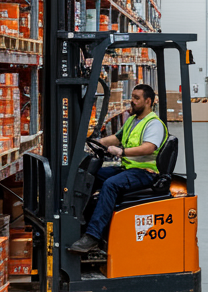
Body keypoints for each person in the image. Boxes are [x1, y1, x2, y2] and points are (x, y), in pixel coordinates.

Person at [68, 84, 168, 254]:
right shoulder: (132, 120)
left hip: (146, 173)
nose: (132, 101)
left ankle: (93, 236)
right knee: (89, 174)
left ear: (148, 101)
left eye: (137, 98)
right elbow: (116, 138)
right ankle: (78, 220)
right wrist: (93, 143)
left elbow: (148, 148)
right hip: (129, 169)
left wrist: (122, 152)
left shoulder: (153, 124)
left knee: (111, 184)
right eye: (133, 97)